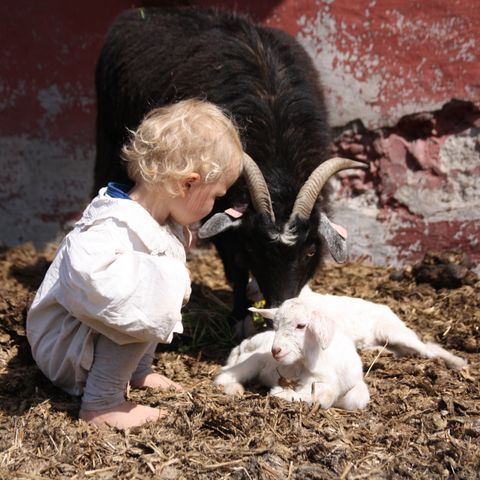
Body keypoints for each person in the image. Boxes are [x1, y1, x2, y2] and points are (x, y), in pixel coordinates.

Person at [26, 99, 243, 429]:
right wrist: (166, 280)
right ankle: (102, 403)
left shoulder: (157, 220)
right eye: (215, 195)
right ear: (187, 183)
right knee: (147, 290)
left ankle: (137, 371)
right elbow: (86, 276)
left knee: (152, 287)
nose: (214, 205)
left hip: (87, 337)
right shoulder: (113, 224)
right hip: (65, 346)